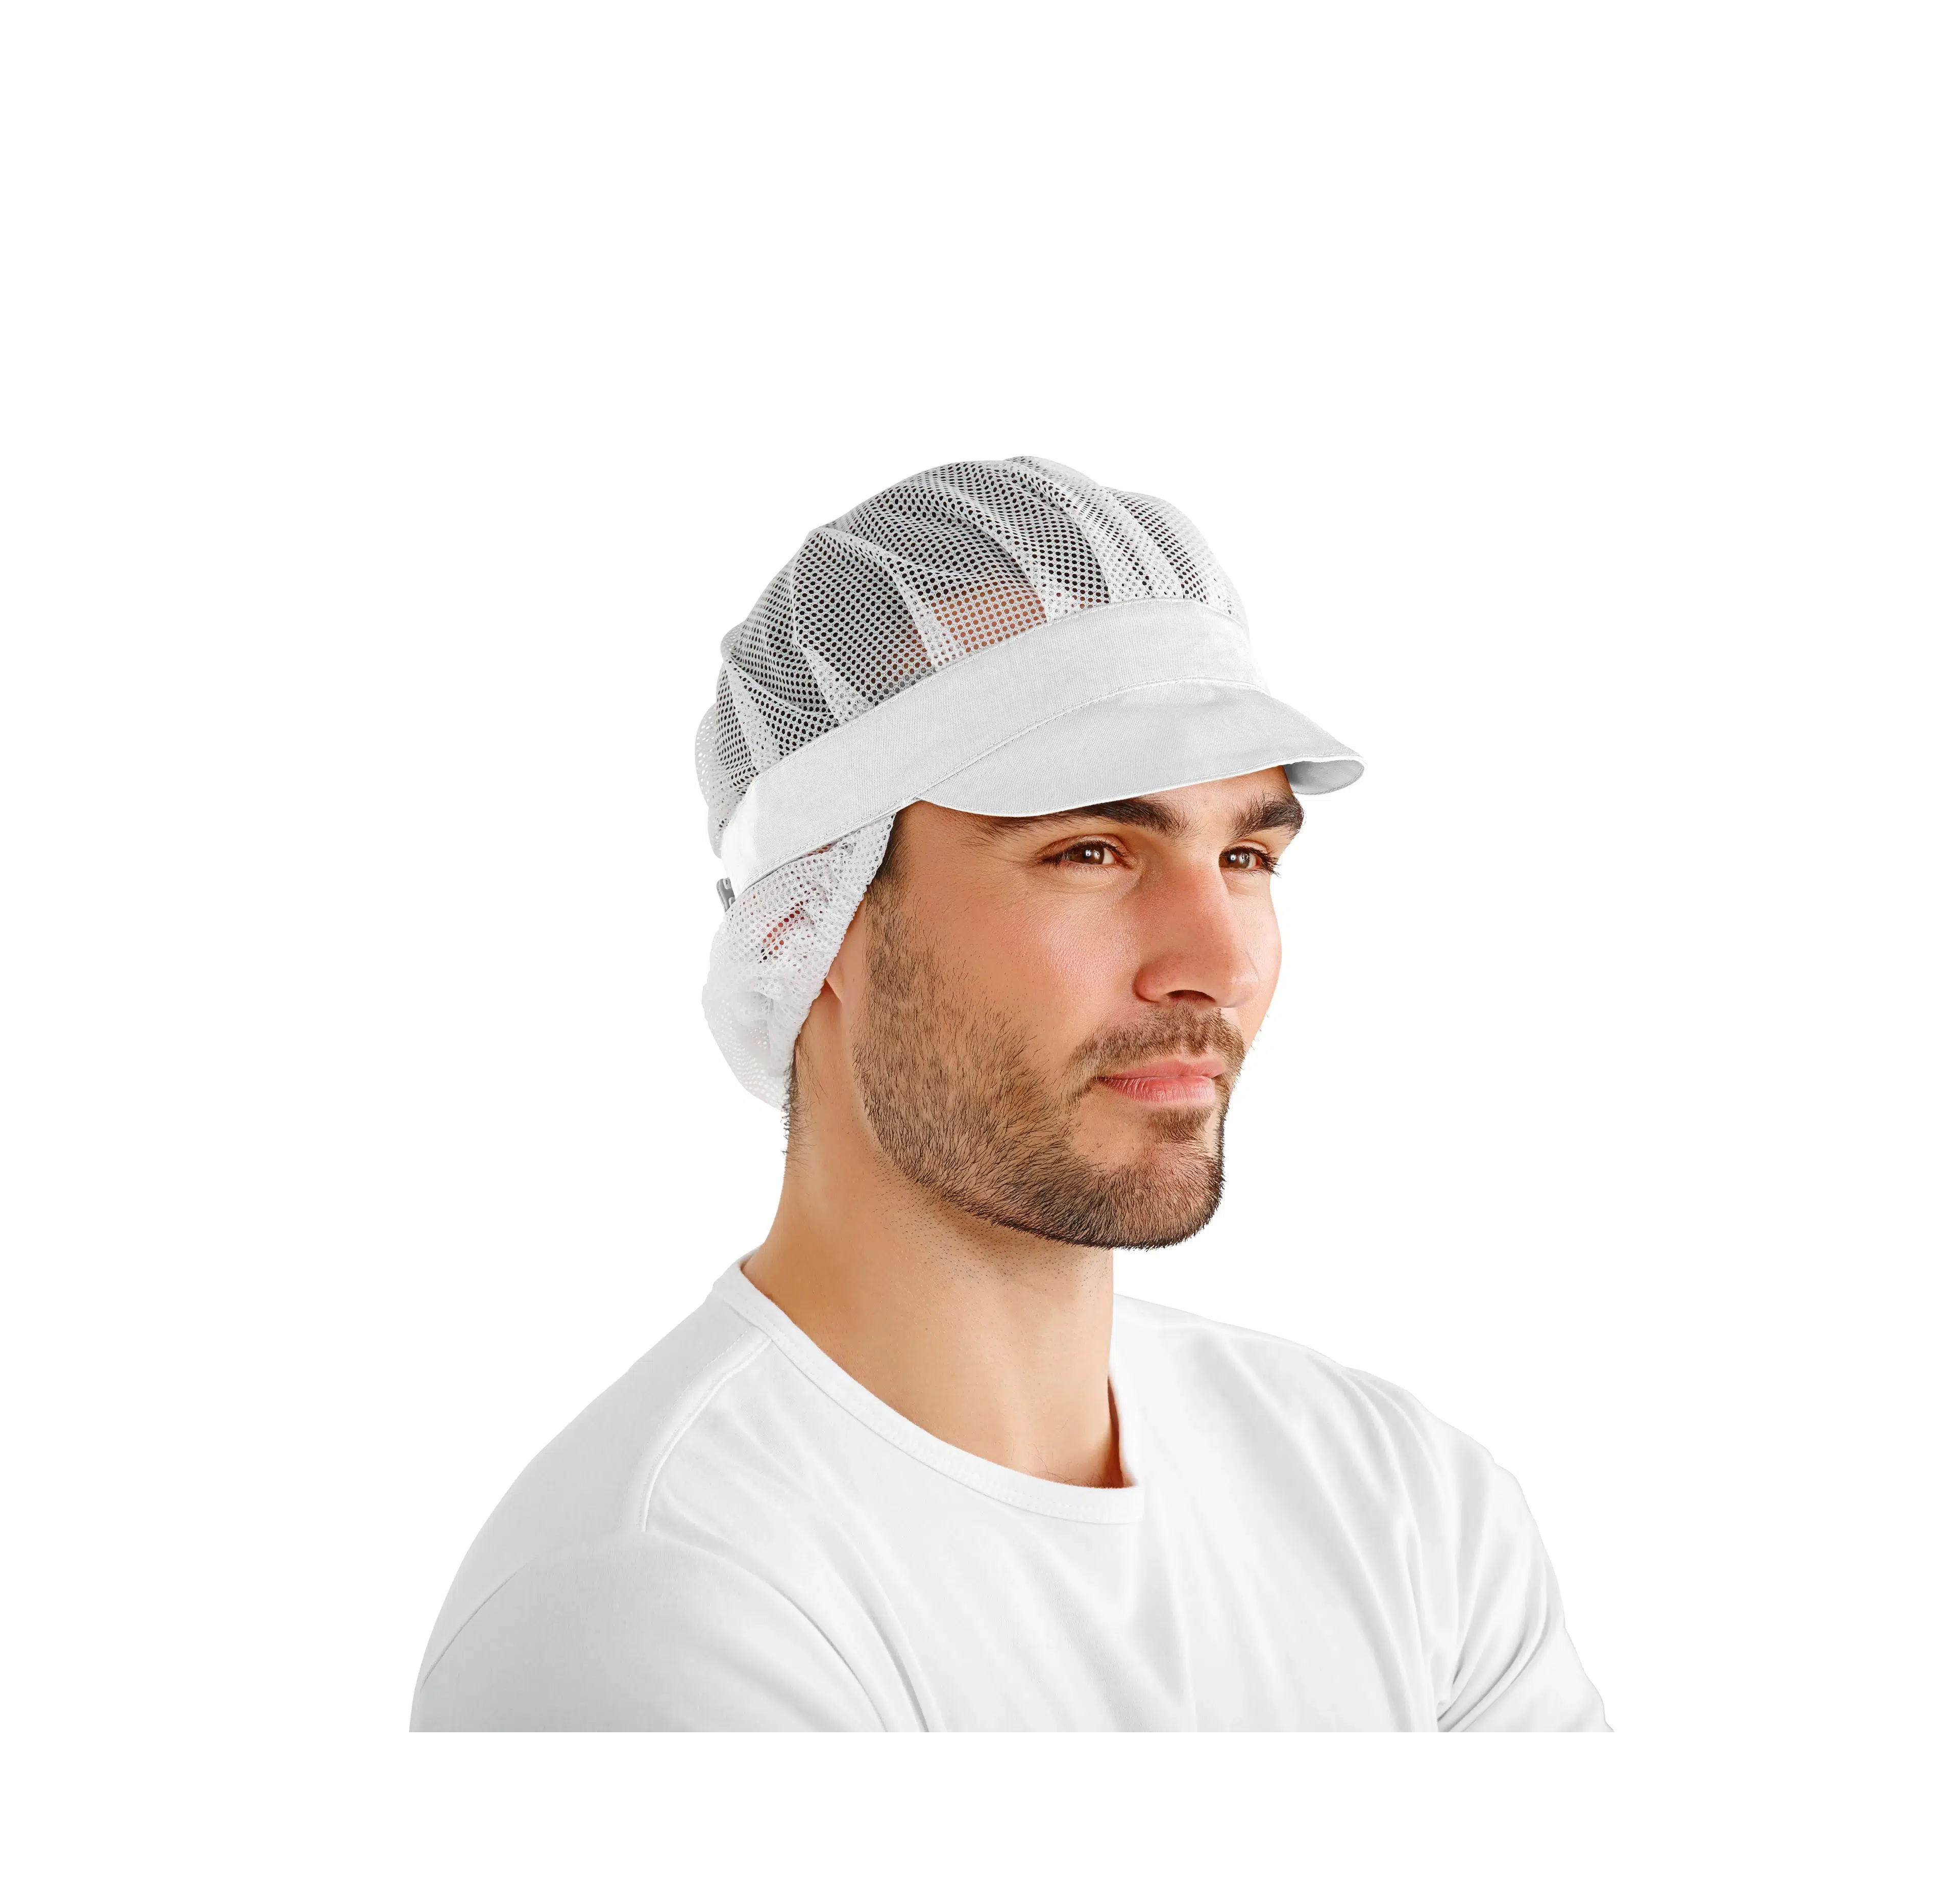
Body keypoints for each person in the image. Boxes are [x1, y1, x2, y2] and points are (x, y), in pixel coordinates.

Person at [412, 456, 1607, 1731]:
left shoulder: (1407, 1509)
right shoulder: (662, 1601)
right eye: (1090, 851)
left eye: (1246, 856)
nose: (1218, 965)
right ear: (813, 925)